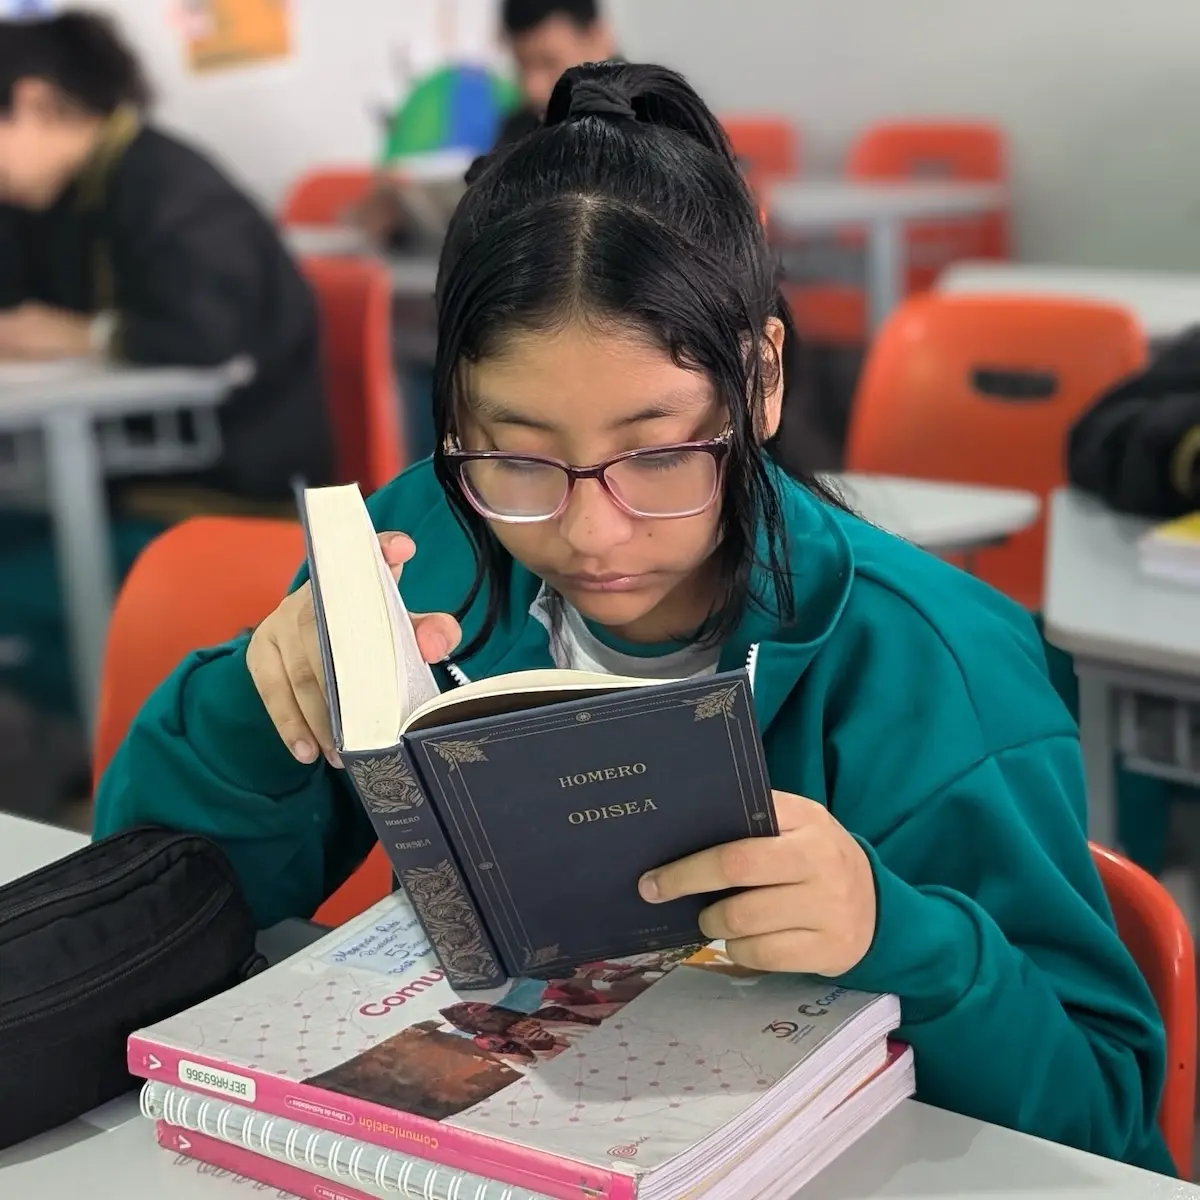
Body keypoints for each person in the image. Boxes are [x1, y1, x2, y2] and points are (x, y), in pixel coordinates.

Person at [95, 62, 1174, 1175]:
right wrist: (249, 712)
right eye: (516, 455)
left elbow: (1100, 1125)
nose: (591, 532)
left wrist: (902, 938)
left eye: (658, 454)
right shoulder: (421, 548)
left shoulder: (934, 670)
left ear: (761, 381)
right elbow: (147, 916)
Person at [0, 11, 333, 715]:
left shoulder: (167, 184)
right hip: (114, 477)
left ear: (33, 103)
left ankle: (133, 734)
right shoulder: (49, 200)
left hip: (223, 488)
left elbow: (206, 331)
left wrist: (84, 336)